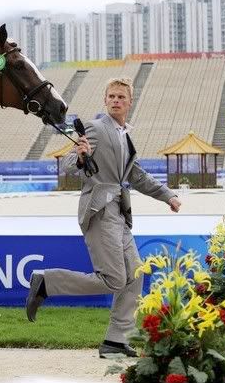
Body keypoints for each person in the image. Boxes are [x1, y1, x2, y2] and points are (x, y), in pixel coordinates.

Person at [25, 77, 182, 358]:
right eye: (111, 96)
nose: (116, 100)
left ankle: (115, 342)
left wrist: (167, 195)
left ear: (129, 102)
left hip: (119, 214)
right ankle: (47, 282)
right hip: (99, 210)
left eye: (121, 97)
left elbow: (137, 176)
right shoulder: (96, 129)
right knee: (112, 279)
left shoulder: (125, 136)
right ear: (105, 100)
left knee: (134, 275)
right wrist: (82, 157)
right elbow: (72, 163)